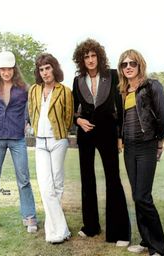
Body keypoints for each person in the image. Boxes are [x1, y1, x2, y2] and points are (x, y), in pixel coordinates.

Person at [72, 38, 131, 245]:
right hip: (85, 134)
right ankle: (90, 227)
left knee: (113, 179)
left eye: (93, 55)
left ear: (99, 56)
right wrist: (78, 120)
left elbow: (121, 108)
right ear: (81, 59)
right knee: (87, 180)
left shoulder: (113, 76)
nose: (90, 59)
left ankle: (120, 233)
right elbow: (72, 110)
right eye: (86, 56)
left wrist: (120, 136)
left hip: (107, 133)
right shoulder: (78, 80)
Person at [117, 49, 164, 256]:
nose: (128, 67)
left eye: (132, 63)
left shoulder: (152, 86)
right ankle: (146, 241)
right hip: (130, 148)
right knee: (137, 196)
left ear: (140, 65)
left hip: (147, 145)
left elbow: (163, 116)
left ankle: (160, 250)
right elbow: (122, 119)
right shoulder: (123, 90)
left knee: (143, 195)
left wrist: (160, 140)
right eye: (124, 64)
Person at [0, 51, 37, 233]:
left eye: (9, 69)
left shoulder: (23, 89)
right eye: (3, 69)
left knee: (24, 179)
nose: (6, 72)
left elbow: (32, 107)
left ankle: (29, 218)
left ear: (14, 69)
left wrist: (27, 121)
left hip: (18, 139)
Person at [28, 53, 74, 244]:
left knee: (57, 184)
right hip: (40, 142)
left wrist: (59, 132)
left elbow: (69, 117)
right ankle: (62, 229)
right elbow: (31, 112)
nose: (45, 72)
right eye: (41, 69)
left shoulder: (65, 91)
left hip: (58, 140)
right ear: (38, 72)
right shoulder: (34, 90)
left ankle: (52, 230)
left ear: (54, 68)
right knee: (46, 187)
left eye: (48, 68)